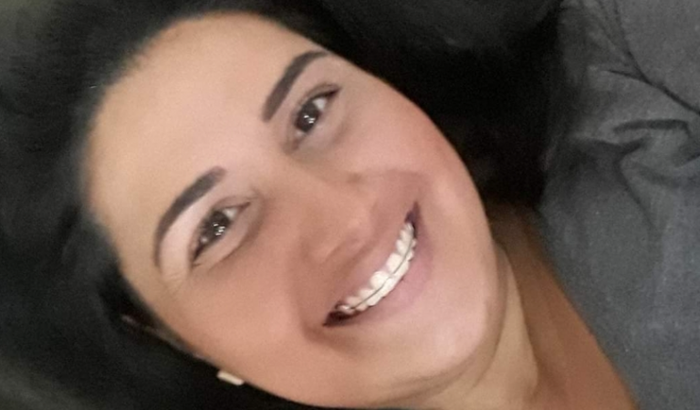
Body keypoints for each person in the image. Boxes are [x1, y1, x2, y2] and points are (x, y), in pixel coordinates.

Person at [4, 0, 686, 408]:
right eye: (217, 225)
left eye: (311, 112)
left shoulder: (638, 64)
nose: (347, 218)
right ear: (163, 334)